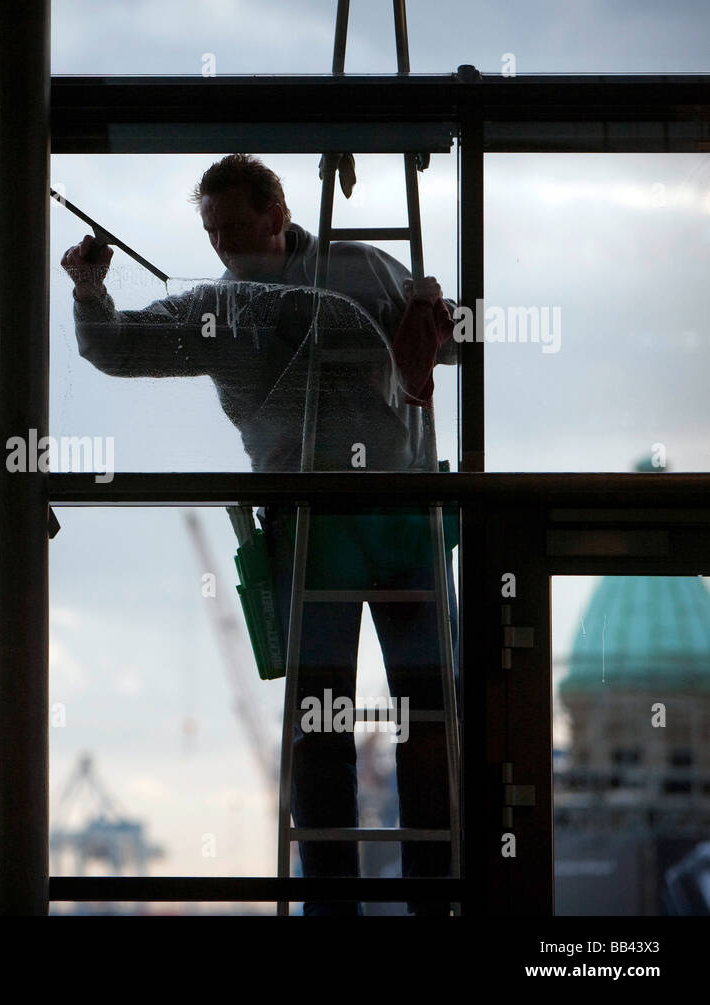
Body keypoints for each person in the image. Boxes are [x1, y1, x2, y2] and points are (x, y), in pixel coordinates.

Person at [61, 152, 460, 916]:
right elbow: (115, 346)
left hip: (370, 516)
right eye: (211, 231)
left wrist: (436, 319)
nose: (220, 245)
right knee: (340, 723)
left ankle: (420, 897)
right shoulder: (248, 300)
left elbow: (451, 340)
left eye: (234, 228)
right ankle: (362, 902)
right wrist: (89, 286)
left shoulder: (354, 273)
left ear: (277, 215)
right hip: (356, 518)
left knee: (413, 712)